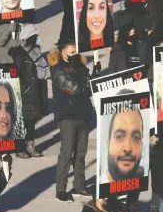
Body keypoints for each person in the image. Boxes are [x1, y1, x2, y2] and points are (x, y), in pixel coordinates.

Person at [48, 40, 100, 202]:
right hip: (68, 116)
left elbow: (89, 82)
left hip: (83, 114)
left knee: (81, 153)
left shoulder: (80, 65)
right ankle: (61, 189)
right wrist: (91, 86)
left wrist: (96, 74)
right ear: (63, 53)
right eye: (71, 52)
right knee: (67, 152)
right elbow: (74, 88)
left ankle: (79, 186)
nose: (74, 55)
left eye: (75, 52)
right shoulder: (58, 69)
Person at [9, 24, 50, 158]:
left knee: (31, 121)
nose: (38, 37)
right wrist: (24, 89)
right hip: (26, 94)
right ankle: (20, 147)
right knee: (22, 121)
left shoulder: (36, 51)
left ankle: (30, 146)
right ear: (29, 38)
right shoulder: (20, 54)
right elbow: (16, 75)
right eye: (35, 35)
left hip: (35, 92)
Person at [100, 108, 144, 183]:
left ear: (141, 146)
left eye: (136, 137)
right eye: (119, 136)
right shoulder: (94, 192)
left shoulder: (143, 191)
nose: (128, 148)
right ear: (108, 145)